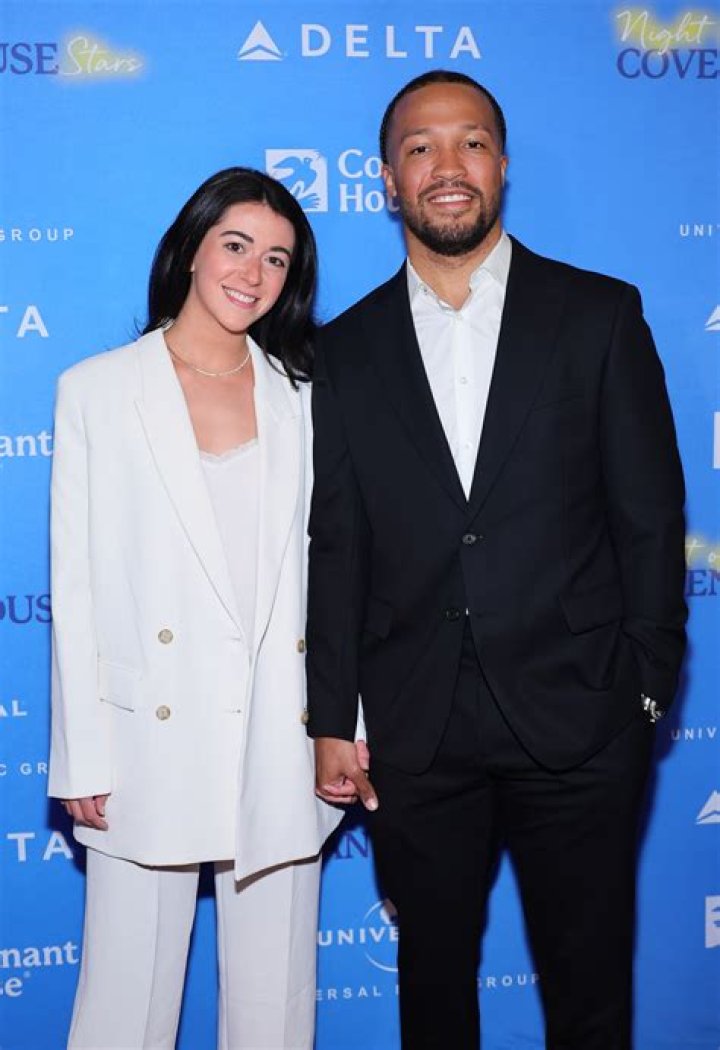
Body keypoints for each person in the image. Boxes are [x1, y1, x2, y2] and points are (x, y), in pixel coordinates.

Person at [306, 71, 687, 1050]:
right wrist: (333, 715)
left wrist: (644, 688)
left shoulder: (598, 315)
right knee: (433, 998)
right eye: (420, 147)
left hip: (582, 716)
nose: (448, 166)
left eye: (470, 142)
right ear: (386, 178)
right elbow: (338, 546)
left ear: (503, 165)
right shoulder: (342, 352)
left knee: (590, 995)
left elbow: (650, 517)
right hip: (417, 729)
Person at [48, 167, 346, 1050]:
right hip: (145, 735)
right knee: (124, 1009)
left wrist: (347, 723)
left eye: (278, 259)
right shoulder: (97, 390)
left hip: (282, 731)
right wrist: (83, 752)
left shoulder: (310, 397)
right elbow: (77, 584)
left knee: (275, 1009)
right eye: (236, 245)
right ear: (190, 249)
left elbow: (340, 575)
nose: (254, 273)